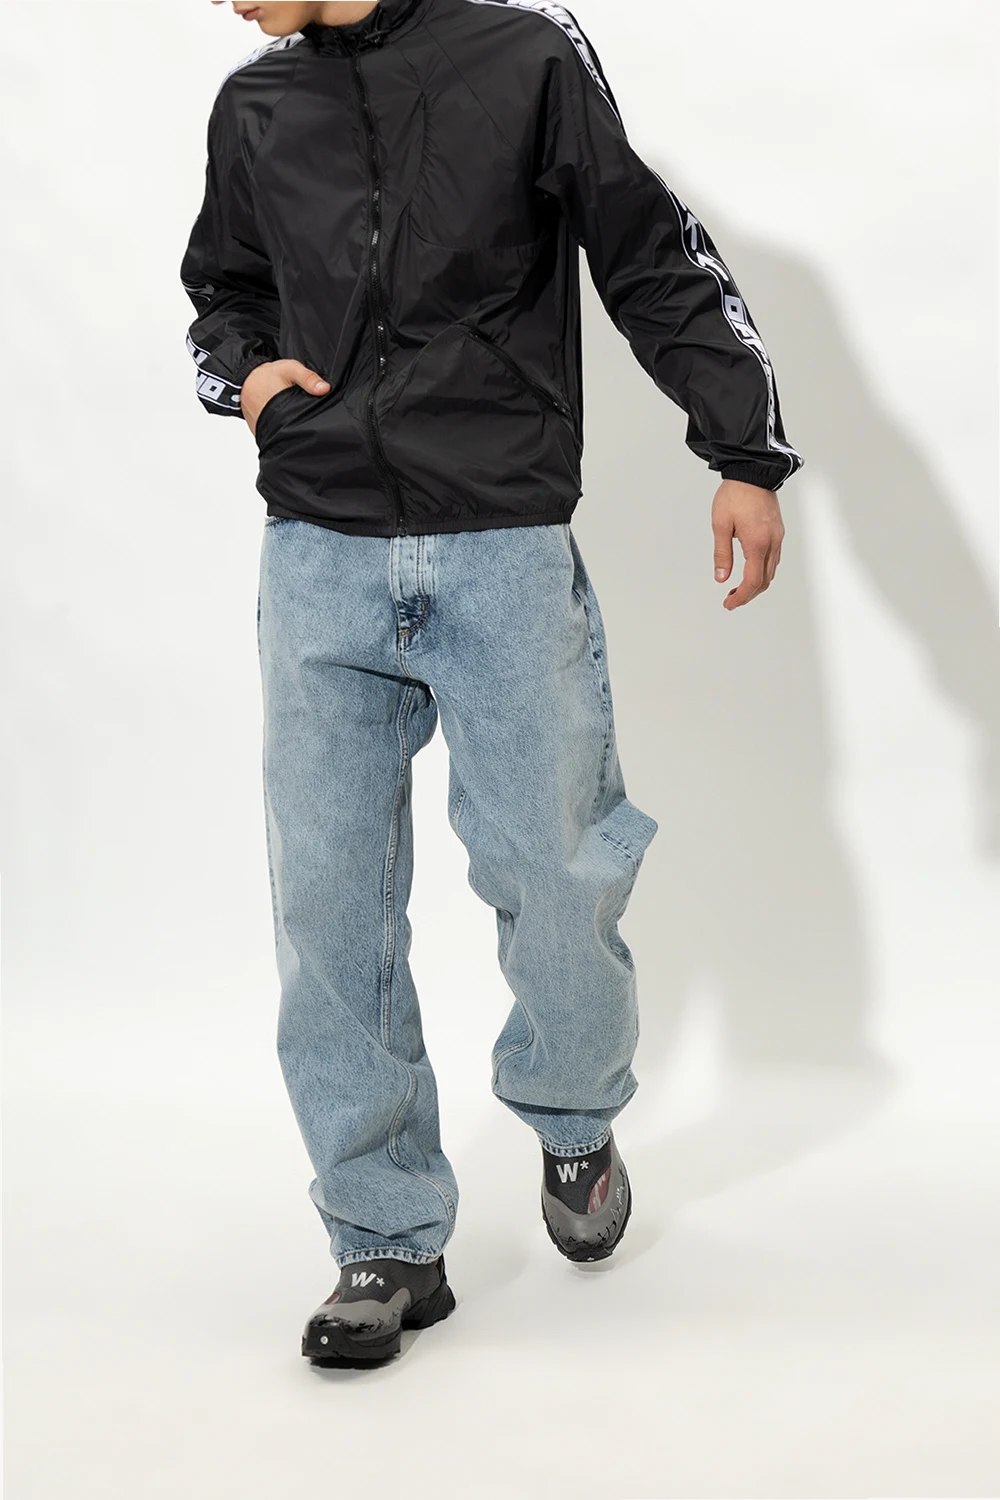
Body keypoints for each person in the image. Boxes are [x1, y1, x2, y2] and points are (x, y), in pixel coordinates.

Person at [181, 0, 803, 1366]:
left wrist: (743, 451)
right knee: (330, 913)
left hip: (503, 547)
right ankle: (385, 1237)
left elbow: (649, 255)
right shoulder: (255, 105)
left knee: (556, 871)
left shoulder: (524, 56)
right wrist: (250, 382)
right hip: (319, 556)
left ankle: (575, 1119)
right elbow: (220, 291)